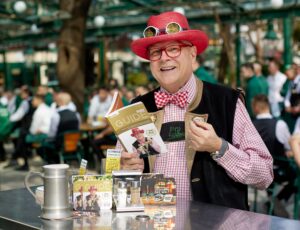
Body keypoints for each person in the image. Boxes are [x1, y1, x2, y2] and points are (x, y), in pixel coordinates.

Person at [120, 11, 273, 210]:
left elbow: (265, 176)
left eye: (173, 49)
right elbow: (120, 187)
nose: (164, 58)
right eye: (156, 52)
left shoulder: (226, 102)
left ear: (192, 55)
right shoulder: (137, 109)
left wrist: (219, 147)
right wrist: (124, 172)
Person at [251, 94, 296, 218]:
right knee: (297, 177)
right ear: (268, 107)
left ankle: (272, 201)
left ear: (255, 108)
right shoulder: (279, 124)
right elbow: (289, 147)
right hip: (277, 171)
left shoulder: (251, 125)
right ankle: (275, 201)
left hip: (256, 172)